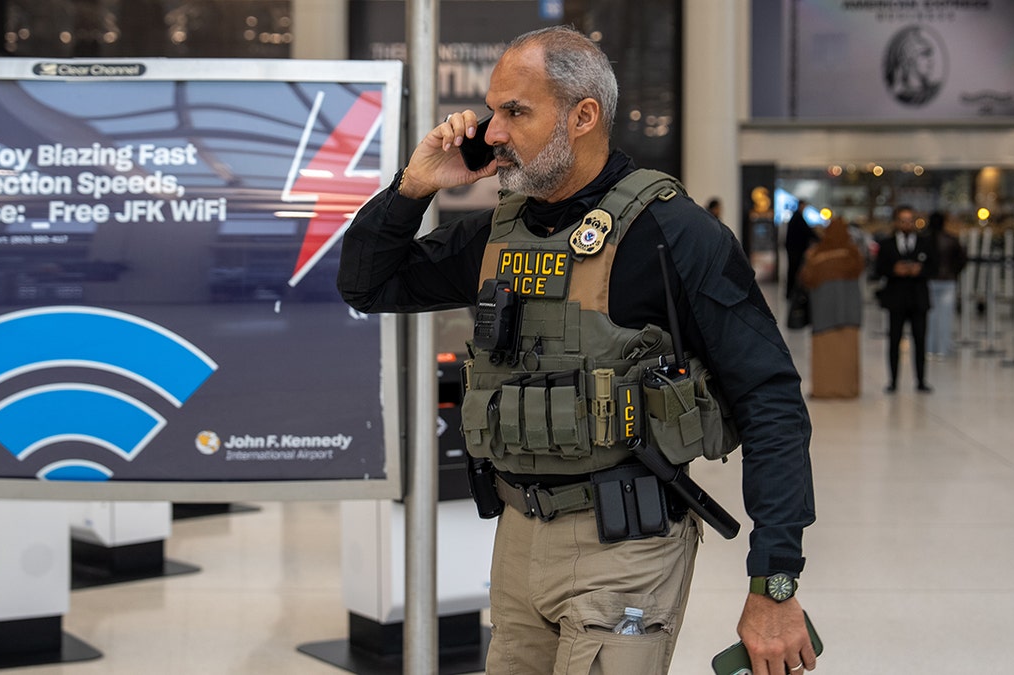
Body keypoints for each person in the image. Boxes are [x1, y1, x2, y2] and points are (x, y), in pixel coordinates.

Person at [337, 26, 816, 675]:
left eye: (516, 111)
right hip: (516, 539)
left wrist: (775, 586)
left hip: (626, 543)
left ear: (583, 115)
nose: (493, 132)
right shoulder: (499, 234)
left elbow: (772, 401)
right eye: (492, 110)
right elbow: (367, 283)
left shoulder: (674, 235)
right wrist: (416, 185)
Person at [798, 216, 866, 398]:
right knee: (847, 353)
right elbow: (860, 269)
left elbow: (807, 278)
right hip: (849, 313)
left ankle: (824, 389)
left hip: (823, 313)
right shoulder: (852, 253)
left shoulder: (816, 254)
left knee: (824, 353)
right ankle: (848, 389)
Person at [875, 205, 937, 392]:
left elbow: (935, 267)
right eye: (903, 220)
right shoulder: (887, 244)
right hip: (896, 299)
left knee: (920, 341)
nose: (906, 224)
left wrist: (920, 270)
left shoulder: (925, 243)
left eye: (910, 220)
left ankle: (921, 380)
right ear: (896, 222)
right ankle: (893, 381)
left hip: (918, 299)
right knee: (894, 340)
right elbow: (878, 269)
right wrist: (894, 270)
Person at [925, 211, 967, 359]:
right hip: (948, 281)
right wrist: (954, 273)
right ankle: (943, 348)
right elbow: (962, 260)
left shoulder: (924, 240)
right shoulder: (952, 240)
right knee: (946, 317)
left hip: (929, 281)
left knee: (930, 317)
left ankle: (929, 348)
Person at [784, 199, 818, 299]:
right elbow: (807, 232)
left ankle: (791, 292)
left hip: (794, 249)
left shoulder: (797, 217)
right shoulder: (798, 218)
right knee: (794, 270)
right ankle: (791, 293)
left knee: (793, 269)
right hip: (795, 250)